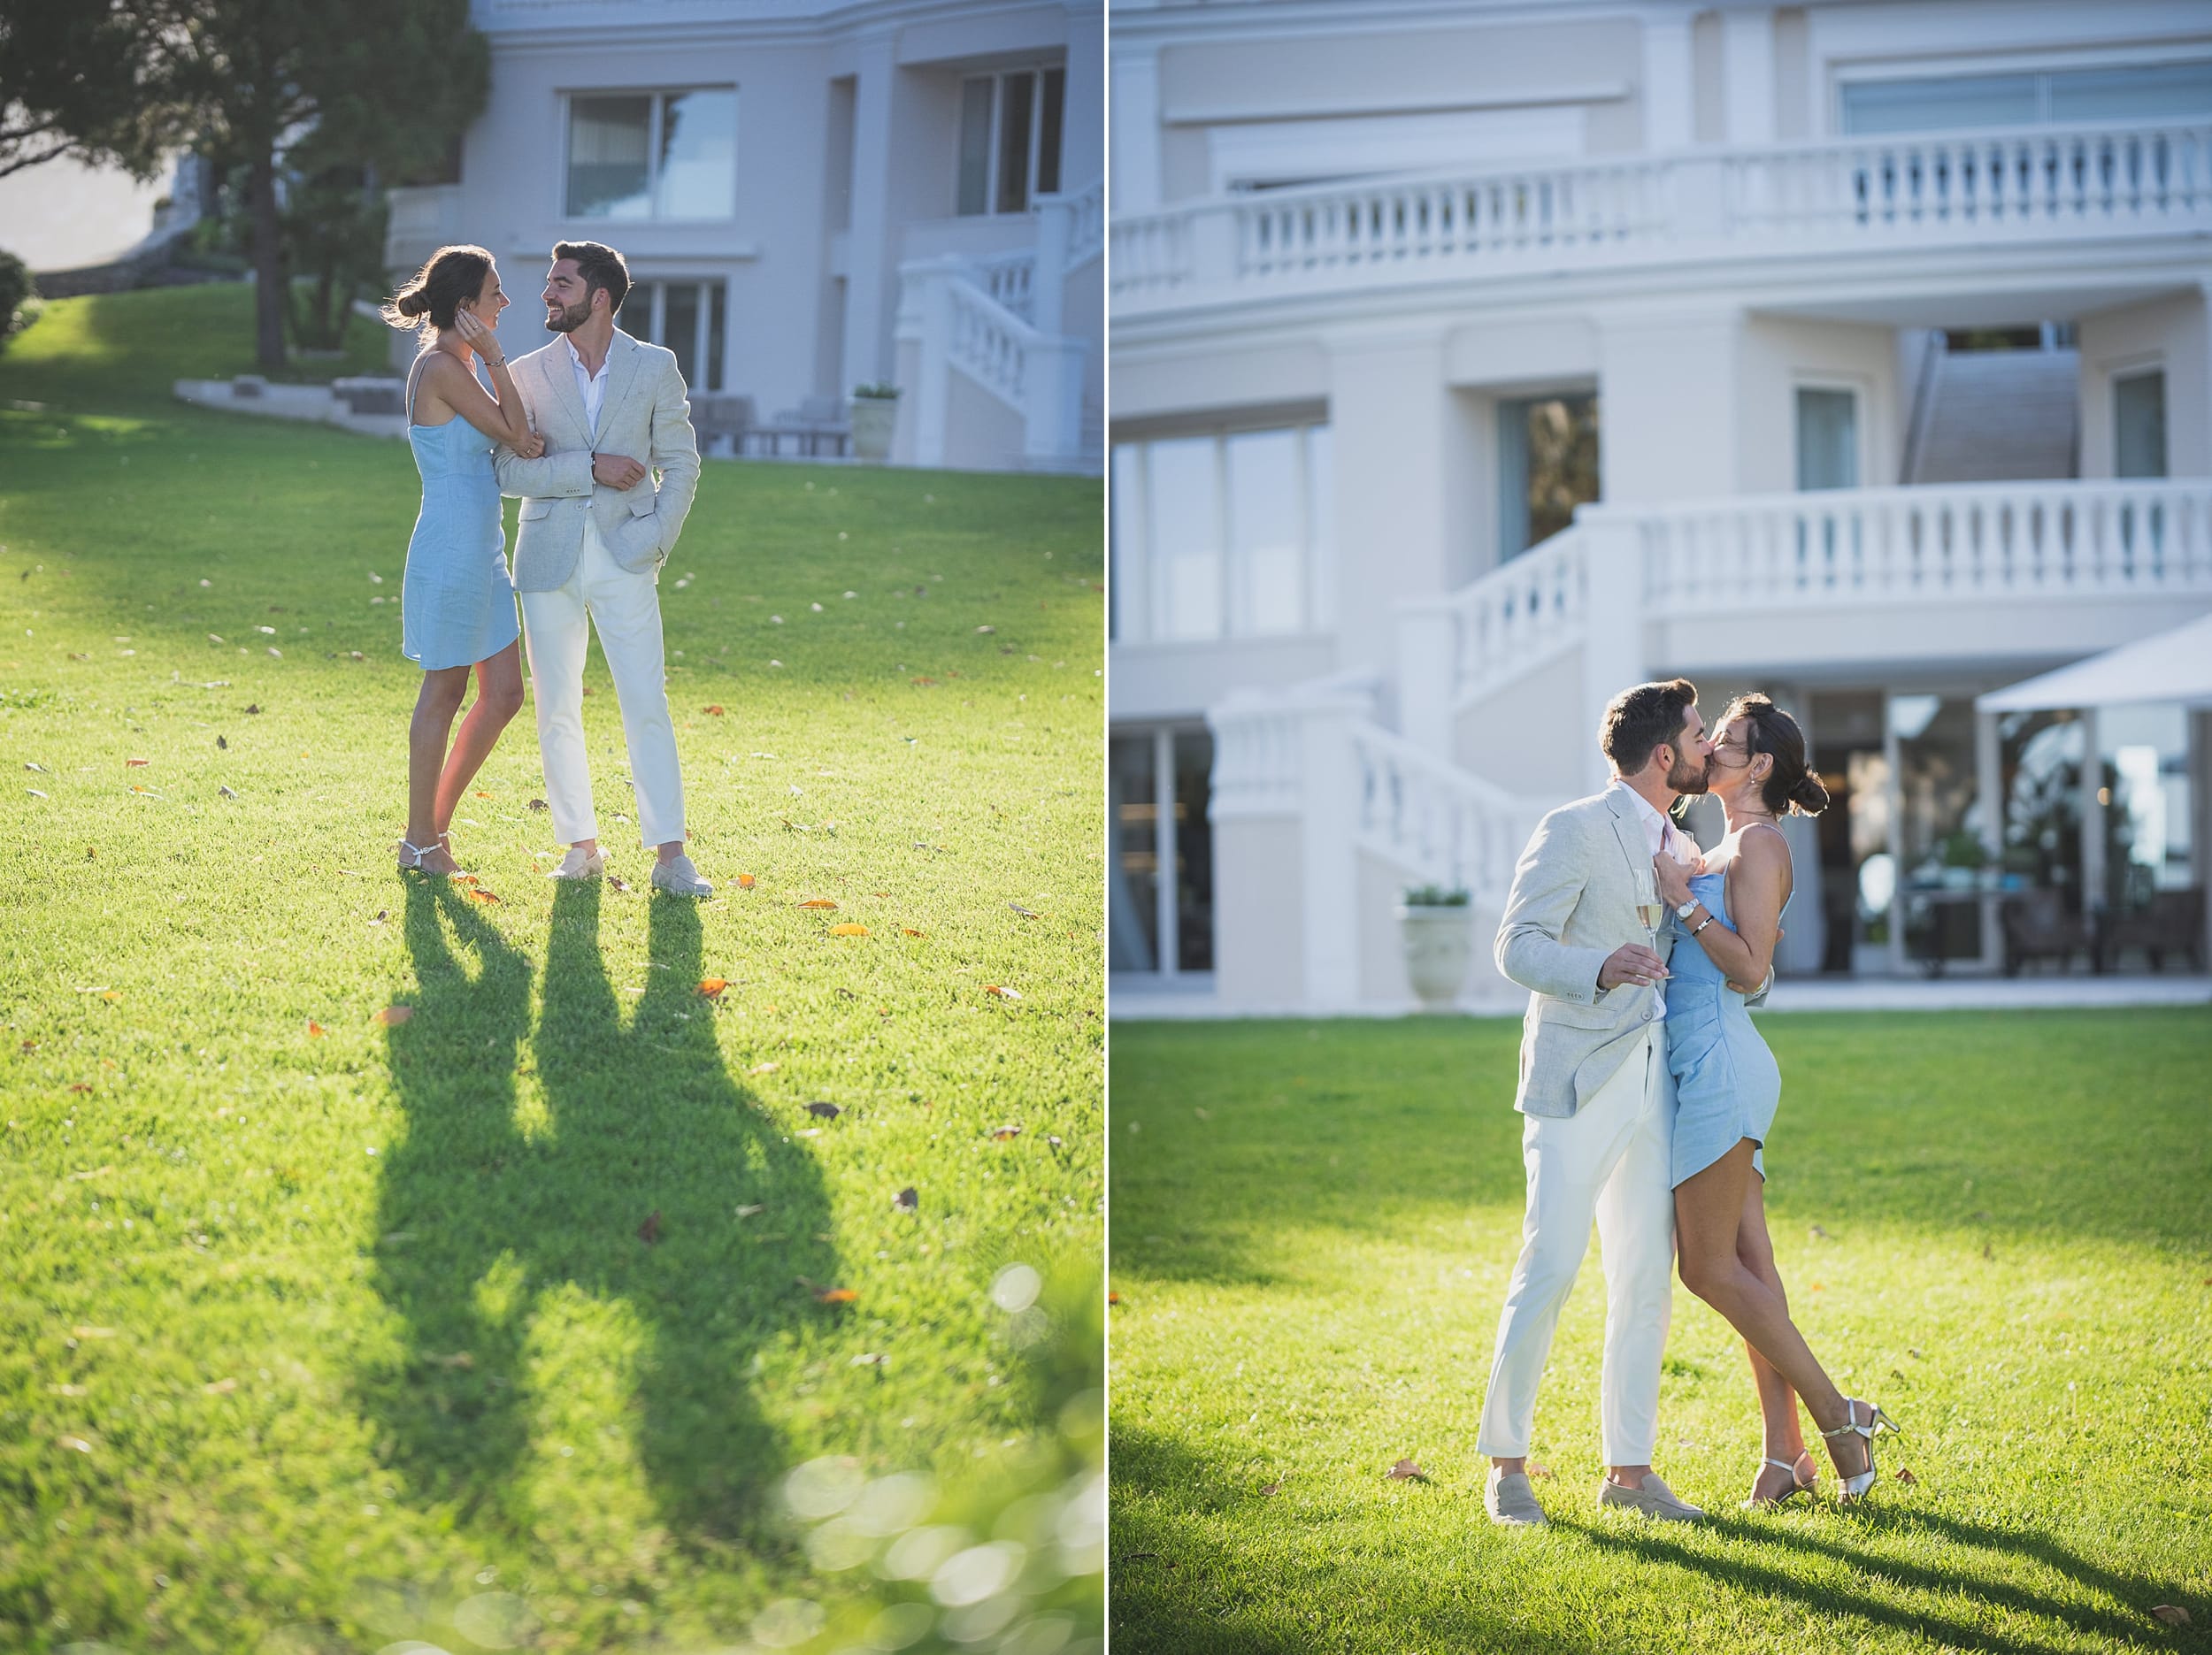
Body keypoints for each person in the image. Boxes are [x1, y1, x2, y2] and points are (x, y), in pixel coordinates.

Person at [1477, 679, 1714, 1527]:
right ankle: (1507, 1464)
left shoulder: (1679, 841)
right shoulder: (1574, 827)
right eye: (1696, 734)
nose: (1706, 746)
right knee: (1550, 1264)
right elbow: (1515, 945)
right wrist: (1599, 966)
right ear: (1664, 755)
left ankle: (1629, 1471)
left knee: (1647, 1276)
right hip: (1576, 1076)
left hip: (1655, 1081)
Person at [1655, 693, 1899, 1508]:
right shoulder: (1727, 843)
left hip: (1722, 1062)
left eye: (1723, 742)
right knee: (1752, 1266)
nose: (1709, 750)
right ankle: (1782, 1456)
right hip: (1707, 1056)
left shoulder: (1757, 844)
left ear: (1758, 765)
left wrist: (1682, 900)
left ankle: (1840, 1414)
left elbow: (1752, 968)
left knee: (1707, 1265)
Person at [491, 240, 711, 897]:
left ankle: (671, 857)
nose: (547, 294)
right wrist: (588, 469)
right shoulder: (527, 372)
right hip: (547, 558)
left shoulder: (655, 366)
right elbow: (508, 469)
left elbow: (683, 461)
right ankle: (580, 846)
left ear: (601, 297)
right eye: (549, 283)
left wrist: (654, 536)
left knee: (647, 700)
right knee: (556, 706)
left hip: (626, 555)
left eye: (561, 283)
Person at [383, 245, 544, 877]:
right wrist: (498, 359)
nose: (505, 302)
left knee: (503, 693)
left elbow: (520, 434)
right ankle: (420, 841)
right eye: (495, 293)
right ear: (466, 308)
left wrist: (521, 428)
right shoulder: (444, 367)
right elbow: (516, 431)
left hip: (481, 549)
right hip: (452, 549)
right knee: (446, 688)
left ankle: (433, 826)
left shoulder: (459, 364)